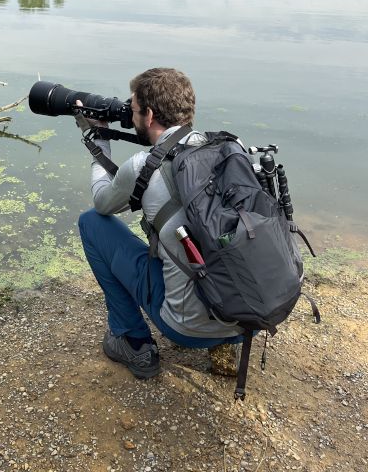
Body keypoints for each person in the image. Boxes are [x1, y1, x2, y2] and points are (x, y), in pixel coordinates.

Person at [77, 67, 243, 380]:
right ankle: (226, 346)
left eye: (134, 109)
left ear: (150, 115)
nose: (130, 114)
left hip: (185, 328)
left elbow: (103, 203)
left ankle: (133, 342)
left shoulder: (143, 166)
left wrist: (97, 139)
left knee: (91, 223)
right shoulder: (231, 149)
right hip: (249, 313)